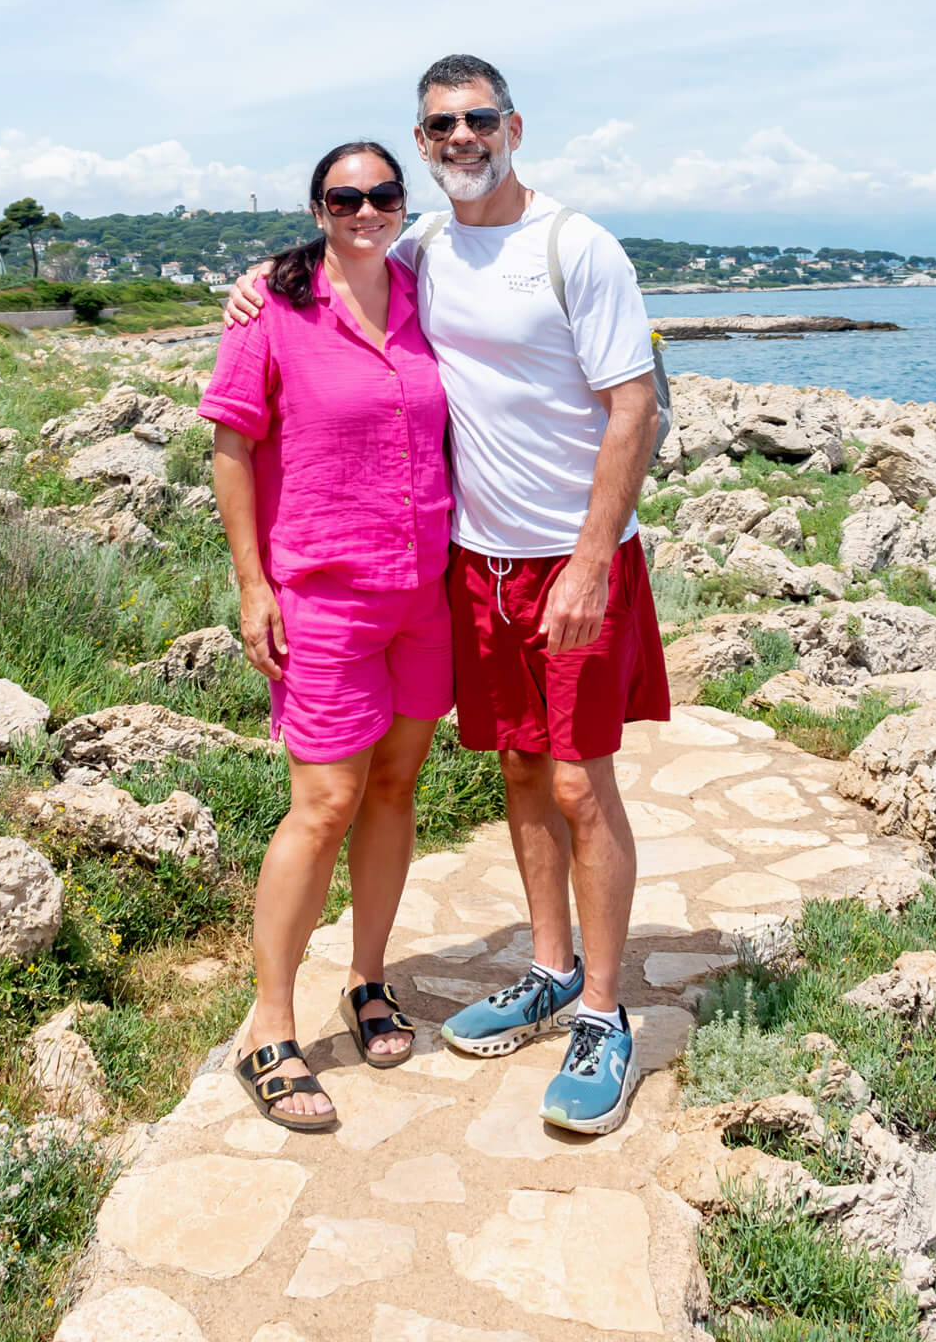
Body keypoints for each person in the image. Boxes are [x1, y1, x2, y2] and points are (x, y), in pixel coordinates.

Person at [227, 55, 669, 1138]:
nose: (461, 136)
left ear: (513, 125)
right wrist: (259, 274)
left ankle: (605, 1016)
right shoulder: (422, 247)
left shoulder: (577, 245)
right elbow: (335, 265)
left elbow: (636, 410)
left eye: (479, 118)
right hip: (472, 564)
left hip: (572, 560)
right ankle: (549, 966)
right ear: (423, 143)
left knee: (578, 781)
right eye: (440, 125)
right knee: (521, 766)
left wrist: (591, 558)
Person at [199, 140, 454, 1132]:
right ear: (316, 205)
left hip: (421, 589)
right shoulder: (273, 305)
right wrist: (252, 583)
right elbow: (231, 443)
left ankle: (368, 978)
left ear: (402, 203)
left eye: (382, 193)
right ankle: (269, 1024)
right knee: (324, 801)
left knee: (395, 786)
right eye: (344, 195)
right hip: (322, 592)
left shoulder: (424, 286)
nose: (365, 208)